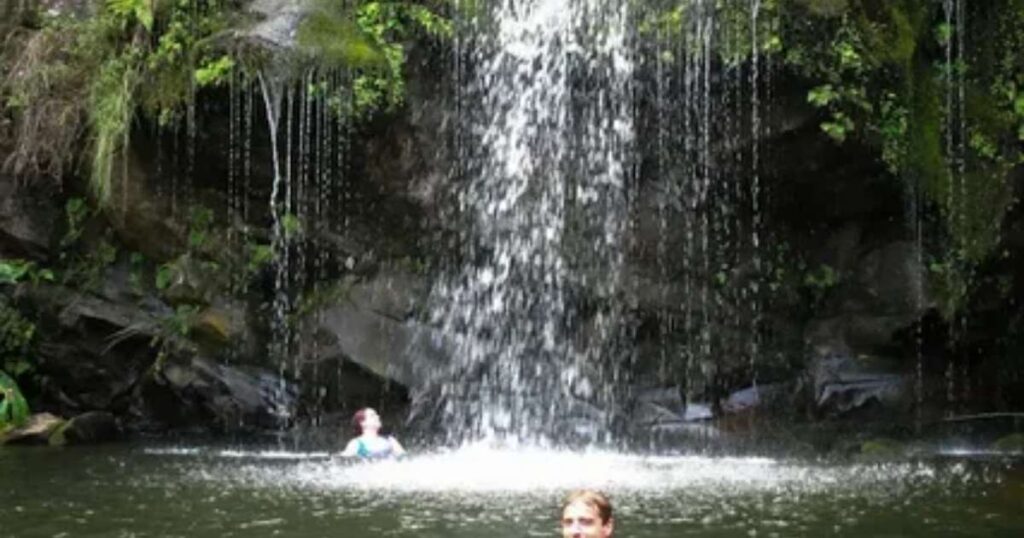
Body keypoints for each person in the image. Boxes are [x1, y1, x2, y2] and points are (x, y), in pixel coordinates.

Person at [340, 407, 406, 459]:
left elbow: (404, 458)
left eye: (377, 415)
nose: (378, 417)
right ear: (362, 423)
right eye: (372, 416)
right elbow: (344, 460)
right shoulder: (356, 443)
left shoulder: (390, 440)